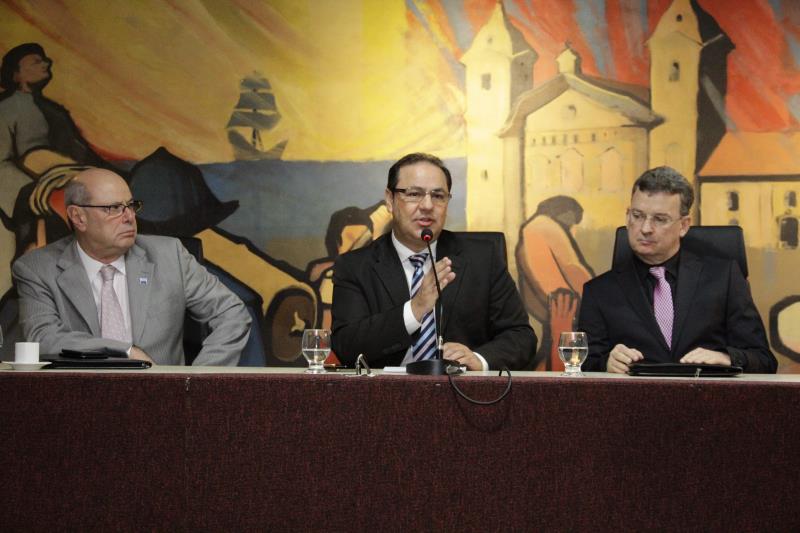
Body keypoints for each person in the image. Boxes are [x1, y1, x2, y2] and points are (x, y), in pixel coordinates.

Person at [12, 168, 251, 365]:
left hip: (162, 399)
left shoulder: (170, 255)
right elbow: (42, 337)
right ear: (78, 217)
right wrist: (125, 352)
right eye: (113, 208)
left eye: (131, 205)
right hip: (81, 400)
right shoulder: (37, 268)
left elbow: (231, 312)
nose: (129, 217)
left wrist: (197, 380)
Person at [331, 152, 537, 370]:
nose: (428, 205)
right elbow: (347, 346)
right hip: (386, 389)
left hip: (463, 389)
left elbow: (521, 337)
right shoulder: (355, 267)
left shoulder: (482, 259)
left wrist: (479, 359)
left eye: (438, 196)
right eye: (414, 194)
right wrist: (415, 309)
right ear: (390, 200)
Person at [578, 166, 776, 373]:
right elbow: (583, 365)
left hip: (707, 392)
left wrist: (728, 358)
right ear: (628, 217)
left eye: (659, 219)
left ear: (683, 225)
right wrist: (606, 364)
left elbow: (765, 361)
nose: (645, 228)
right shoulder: (599, 292)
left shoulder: (723, 279)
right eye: (637, 216)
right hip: (636, 393)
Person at [516, 196, 594, 369]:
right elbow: (572, 268)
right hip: (564, 307)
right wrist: (599, 299)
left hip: (554, 310)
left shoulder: (530, 232)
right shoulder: (543, 226)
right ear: (564, 212)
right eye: (571, 222)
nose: (572, 231)